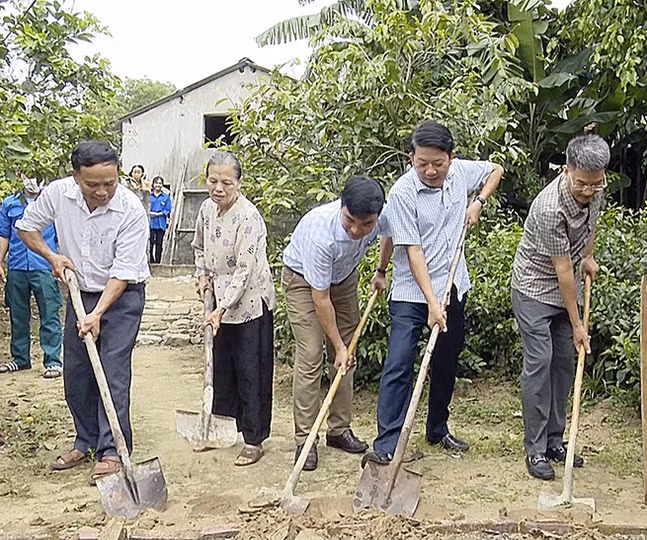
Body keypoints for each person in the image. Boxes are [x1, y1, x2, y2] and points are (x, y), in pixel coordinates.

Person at [364, 120, 504, 465]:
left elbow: (496, 170)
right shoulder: (402, 194)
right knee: (399, 362)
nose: (429, 170)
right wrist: (431, 302)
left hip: (454, 284)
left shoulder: (460, 174)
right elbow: (413, 253)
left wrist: (479, 203)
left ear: (451, 158)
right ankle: (387, 441)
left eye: (437, 164)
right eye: (421, 162)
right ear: (411, 157)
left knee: (445, 361)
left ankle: (437, 428)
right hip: (412, 293)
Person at [16, 141, 150, 485]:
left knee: (112, 370)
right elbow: (26, 227)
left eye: (110, 182)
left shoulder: (131, 209)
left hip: (122, 297)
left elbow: (122, 272)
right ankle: (86, 440)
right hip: (80, 294)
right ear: (76, 177)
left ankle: (113, 451)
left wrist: (98, 314)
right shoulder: (59, 194)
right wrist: (53, 257)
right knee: (76, 373)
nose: (103, 191)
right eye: (93, 184)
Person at [511, 134, 610, 480]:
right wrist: (579, 322)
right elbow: (562, 271)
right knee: (540, 363)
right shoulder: (549, 208)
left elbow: (590, 224)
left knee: (564, 364)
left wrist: (589, 256)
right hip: (535, 287)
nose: (588, 190)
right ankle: (535, 450)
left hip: (565, 280)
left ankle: (555, 439)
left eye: (595, 184)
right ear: (567, 171)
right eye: (582, 184)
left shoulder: (596, 188)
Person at [282, 176, 387, 471]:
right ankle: (306, 438)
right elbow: (321, 298)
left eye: (365, 225)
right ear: (341, 207)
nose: (356, 230)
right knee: (313, 354)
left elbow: (388, 235)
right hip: (304, 282)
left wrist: (380, 270)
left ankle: (339, 430)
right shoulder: (321, 233)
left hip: (344, 279)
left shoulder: (382, 217)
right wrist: (338, 345)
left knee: (346, 357)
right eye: (350, 220)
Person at [192, 151, 275, 467]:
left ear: (239, 183)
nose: (219, 188)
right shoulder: (205, 209)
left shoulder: (248, 217)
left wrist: (221, 309)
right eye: (213, 181)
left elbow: (245, 270)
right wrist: (202, 275)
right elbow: (199, 247)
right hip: (217, 298)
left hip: (249, 301)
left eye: (227, 182)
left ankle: (254, 438)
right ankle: (221, 428)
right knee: (220, 368)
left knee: (249, 370)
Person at [0, 173, 63, 378]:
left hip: (44, 266)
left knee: (49, 313)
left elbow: (62, 234)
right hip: (17, 266)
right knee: (18, 315)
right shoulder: (10, 203)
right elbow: (4, 235)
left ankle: (53, 360)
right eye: (29, 175)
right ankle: (20, 359)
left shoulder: (51, 204)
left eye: (38, 176)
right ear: (20, 176)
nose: (33, 181)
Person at [149, 176, 171, 264]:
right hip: (151, 223)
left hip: (161, 224)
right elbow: (146, 207)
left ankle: (158, 262)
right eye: (156, 183)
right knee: (150, 244)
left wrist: (158, 214)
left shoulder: (166, 197)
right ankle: (151, 261)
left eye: (160, 183)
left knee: (159, 243)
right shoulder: (149, 196)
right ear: (153, 184)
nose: (158, 185)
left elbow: (167, 210)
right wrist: (150, 213)